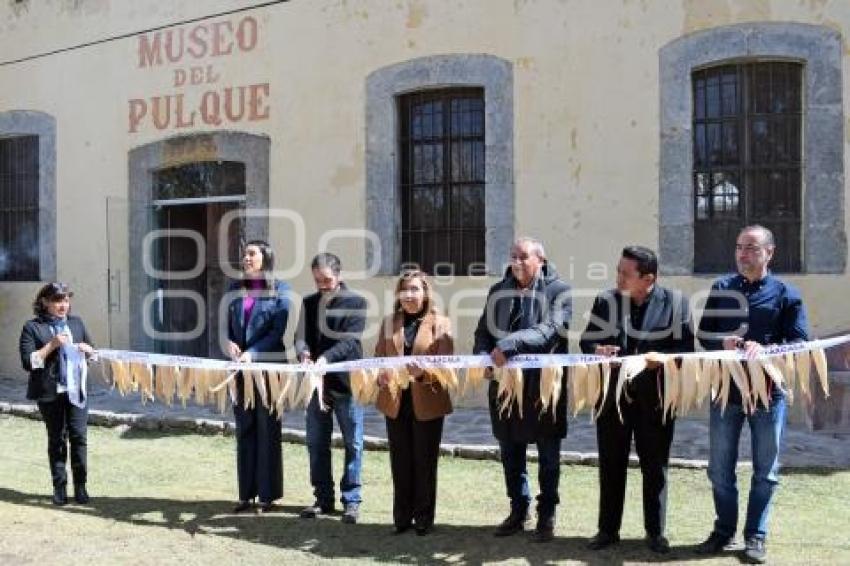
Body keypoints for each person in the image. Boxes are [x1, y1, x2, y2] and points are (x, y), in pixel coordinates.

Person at [696, 225, 809, 564]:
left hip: (768, 394)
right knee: (719, 469)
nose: (743, 254)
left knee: (766, 471)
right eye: (739, 247)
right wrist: (723, 343)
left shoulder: (787, 294)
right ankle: (723, 531)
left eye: (751, 248)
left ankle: (755, 536)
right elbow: (703, 335)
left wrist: (769, 348)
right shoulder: (721, 288)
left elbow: (800, 342)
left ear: (769, 253)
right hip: (725, 392)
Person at [580, 246, 694, 554]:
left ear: (648, 278)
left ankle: (655, 532)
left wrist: (663, 360)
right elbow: (587, 340)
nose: (618, 278)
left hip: (655, 398)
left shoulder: (675, 303)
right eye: (618, 270)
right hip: (611, 398)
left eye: (625, 274)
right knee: (611, 464)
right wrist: (598, 350)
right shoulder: (606, 301)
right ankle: (607, 530)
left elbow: (685, 349)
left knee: (655, 467)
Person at [473, 237, 571, 543]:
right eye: (513, 255)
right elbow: (482, 332)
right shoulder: (497, 291)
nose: (516, 261)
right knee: (510, 452)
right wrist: (483, 357)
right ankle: (518, 509)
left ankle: (547, 515)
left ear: (540, 260)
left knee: (548, 457)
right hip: (504, 387)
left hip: (542, 387)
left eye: (523, 256)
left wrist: (508, 344)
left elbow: (550, 330)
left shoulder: (560, 291)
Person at [374, 270, 453, 535]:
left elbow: (447, 367)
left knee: (424, 462)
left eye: (415, 289)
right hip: (395, 403)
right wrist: (380, 377)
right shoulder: (388, 322)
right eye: (405, 289)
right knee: (400, 461)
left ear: (425, 293)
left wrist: (425, 373)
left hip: (428, 402)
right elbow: (377, 359)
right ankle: (401, 518)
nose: (409, 294)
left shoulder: (440, 324)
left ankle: (424, 519)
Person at [295, 253, 367, 524]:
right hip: (315, 385)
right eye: (317, 280)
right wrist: (303, 352)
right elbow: (299, 336)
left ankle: (351, 501)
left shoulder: (356, 302)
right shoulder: (308, 302)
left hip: (346, 384)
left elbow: (350, 341)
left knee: (353, 443)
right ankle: (323, 499)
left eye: (326, 279)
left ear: (338, 275)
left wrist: (326, 358)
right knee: (316, 443)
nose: (322, 285)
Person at [226, 240, 290, 513]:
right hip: (240, 371)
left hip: (268, 368)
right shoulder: (234, 289)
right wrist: (229, 343)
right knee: (245, 429)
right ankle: (246, 494)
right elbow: (227, 327)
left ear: (266, 258)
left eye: (252, 253)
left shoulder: (281, 289)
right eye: (245, 254)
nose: (246, 258)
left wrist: (253, 352)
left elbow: (278, 332)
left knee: (267, 429)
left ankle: (267, 495)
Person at [19, 282, 96, 505]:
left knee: (79, 437)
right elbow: (28, 362)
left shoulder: (77, 323)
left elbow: (94, 354)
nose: (63, 305)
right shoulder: (32, 327)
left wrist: (89, 351)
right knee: (57, 439)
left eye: (65, 300)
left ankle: (81, 487)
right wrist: (52, 344)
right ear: (44, 302)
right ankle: (59, 488)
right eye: (57, 301)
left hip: (77, 391)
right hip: (50, 392)